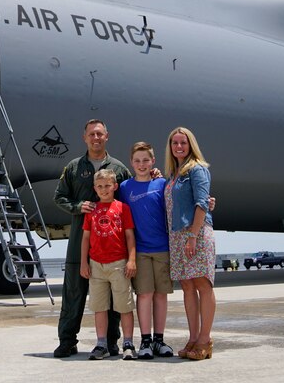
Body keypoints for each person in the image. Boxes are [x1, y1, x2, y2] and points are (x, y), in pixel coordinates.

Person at [52, 119, 131, 358]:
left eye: (100, 134)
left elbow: (130, 193)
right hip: (81, 239)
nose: (96, 138)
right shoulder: (74, 167)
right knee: (73, 292)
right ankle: (67, 340)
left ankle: (111, 341)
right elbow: (59, 197)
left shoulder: (118, 168)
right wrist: (78, 206)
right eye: (91, 135)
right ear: (84, 137)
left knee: (113, 295)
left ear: (107, 136)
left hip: (112, 244)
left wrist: (154, 174)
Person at [117, 142, 174, 359]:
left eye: (146, 160)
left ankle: (160, 340)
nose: (141, 164)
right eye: (137, 160)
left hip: (162, 249)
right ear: (131, 162)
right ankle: (146, 341)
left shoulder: (162, 183)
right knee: (144, 294)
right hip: (139, 251)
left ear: (153, 161)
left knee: (160, 295)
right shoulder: (125, 188)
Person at [164, 127, 215, 361]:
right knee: (187, 286)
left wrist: (193, 235)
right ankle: (193, 337)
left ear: (190, 144)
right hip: (176, 235)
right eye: (175, 143)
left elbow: (202, 203)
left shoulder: (197, 169)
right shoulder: (173, 174)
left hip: (195, 233)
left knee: (202, 285)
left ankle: (205, 339)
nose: (179, 147)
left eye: (183, 143)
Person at [81, 169, 138, 360]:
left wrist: (131, 260)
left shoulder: (123, 208)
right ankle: (101, 344)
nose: (104, 189)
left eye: (107, 186)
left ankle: (128, 343)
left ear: (115, 186)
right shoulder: (92, 210)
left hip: (118, 263)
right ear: (94, 188)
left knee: (124, 306)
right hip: (96, 264)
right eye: (100, 186)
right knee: (99, 307)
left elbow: (130, 236)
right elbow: (86, 238)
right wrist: (84, 263)